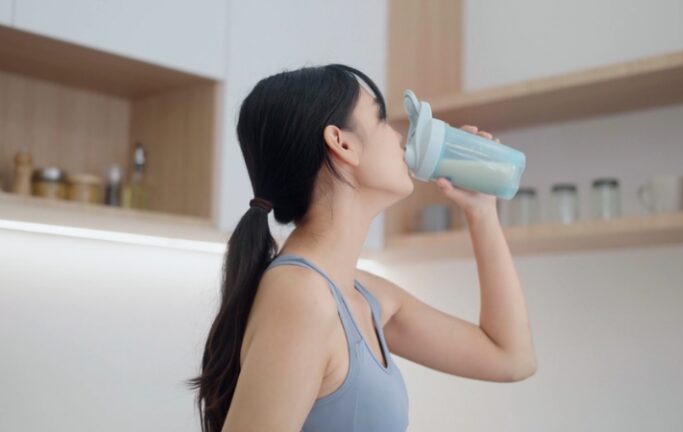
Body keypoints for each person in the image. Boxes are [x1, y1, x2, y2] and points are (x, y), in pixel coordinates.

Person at [186, 64, 537, 432]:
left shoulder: (365, 296)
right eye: (381, 118)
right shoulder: (301, 298)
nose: (400, 136)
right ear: (342, 143)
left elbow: (510, 357)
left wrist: (481, 211)